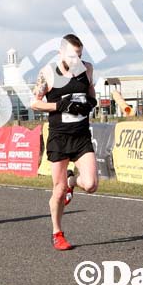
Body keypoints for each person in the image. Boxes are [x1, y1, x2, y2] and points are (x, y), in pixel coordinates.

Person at [31, 34, 99, 250]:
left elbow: (91, 95)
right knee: (58, 190)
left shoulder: (87, 68)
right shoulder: (48, 73)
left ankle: (73, 183)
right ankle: (57, 233)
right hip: (59, 136)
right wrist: (60, 105)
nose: (75, 61)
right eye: (71, 56)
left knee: (91, 185)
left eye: (79, 56)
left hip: (81, 136)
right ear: (60, 53)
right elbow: (34, 103)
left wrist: (89, 103)